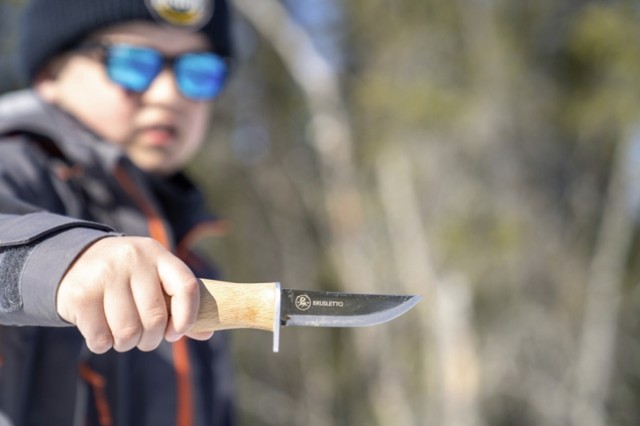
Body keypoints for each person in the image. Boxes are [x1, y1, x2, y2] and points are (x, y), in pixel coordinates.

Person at [0, 0, 236, 424]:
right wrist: (63, 261)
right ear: (51, 75)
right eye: (132, 63)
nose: (169, 95)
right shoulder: (15, 168)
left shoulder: (195, 262)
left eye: (198, 72)